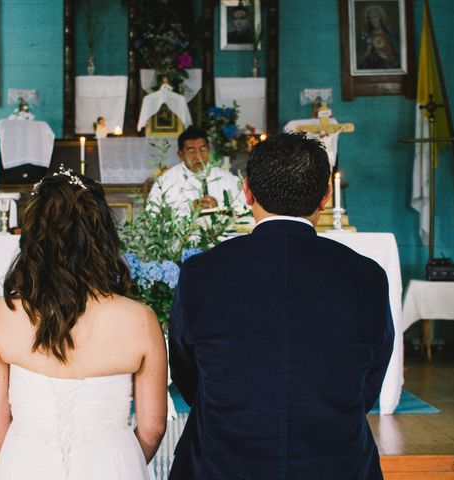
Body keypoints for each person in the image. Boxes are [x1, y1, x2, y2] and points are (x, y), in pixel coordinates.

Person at [168, 132, 394, 479]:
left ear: (247, 192)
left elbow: (188, 372)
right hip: (337, 464)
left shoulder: (202, 272)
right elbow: (367, 384)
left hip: (222, 464)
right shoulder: (366, 276)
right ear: (326, 196)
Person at [0, 167, 167, 479]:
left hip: (26, 463)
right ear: (103, 234)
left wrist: (26, 456)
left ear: (33, 236)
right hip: (113, 467)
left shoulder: (1, 314)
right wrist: (121, 461)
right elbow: (153, 426)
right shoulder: (140, 319)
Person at [147, 126, 244, 215]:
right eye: (191, 151)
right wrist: (189, 208)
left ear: (209, 150)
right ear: (180, 154)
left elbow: (244, 205)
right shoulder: (166, 181)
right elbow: (152, 212)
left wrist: (219, 205)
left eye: (202, 149)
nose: (198, 156)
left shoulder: (226, 178)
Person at [357, 5, 400, 70]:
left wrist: (386, 58)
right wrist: (366, 54)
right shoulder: (366, 38)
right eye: (370, 18)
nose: (373, 20)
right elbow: (359, 61)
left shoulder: (390, 37)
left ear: (380, 18)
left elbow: (400, 59)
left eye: (375, 17)